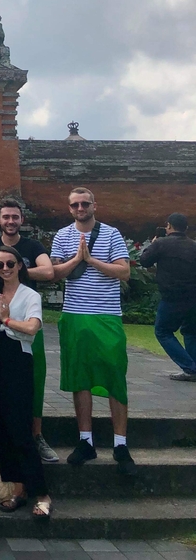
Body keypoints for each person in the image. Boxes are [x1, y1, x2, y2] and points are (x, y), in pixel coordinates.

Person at [51, 187, 136, 476]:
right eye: (75, 204)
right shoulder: (62, 236)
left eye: (85, 203)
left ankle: (121, 442)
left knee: (115, 374)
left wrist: (91, 260)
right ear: (69, 208)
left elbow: (124, 271)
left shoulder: (111, 234)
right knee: (80, 377)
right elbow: (54, 273)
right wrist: (77, 259)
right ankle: (85, 440)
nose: (80, 208)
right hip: (74, 314)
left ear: (94, 205)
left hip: (107, 314)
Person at [0, 197, 58, 463]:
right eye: (5, 217)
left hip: (26, 317)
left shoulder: (32, 245)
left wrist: (14, 270)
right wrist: (3, 273)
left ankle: (36, 434)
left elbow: (49, 271)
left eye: (15, 217)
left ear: (21, 219)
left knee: (34, 379)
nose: (10, 221)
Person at [0, 246, 52, 520]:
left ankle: (42, 493)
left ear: (19, 265)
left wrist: (7, 320)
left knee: (21, 431)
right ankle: (17, 489)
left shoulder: (30, 295)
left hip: (18, 361)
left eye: (9, 263)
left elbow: (33, 327)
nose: (4, 269)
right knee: (0, 429)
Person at [140, 213, 196, 381]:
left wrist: (154, 244)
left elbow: (144, 261)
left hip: (172, 296)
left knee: (163, 331)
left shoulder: (162, 244)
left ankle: (190, 367)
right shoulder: (194, 246)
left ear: (169, 226)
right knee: (191, 331)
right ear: (186, 228)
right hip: (193, 296)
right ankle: (193, 368)